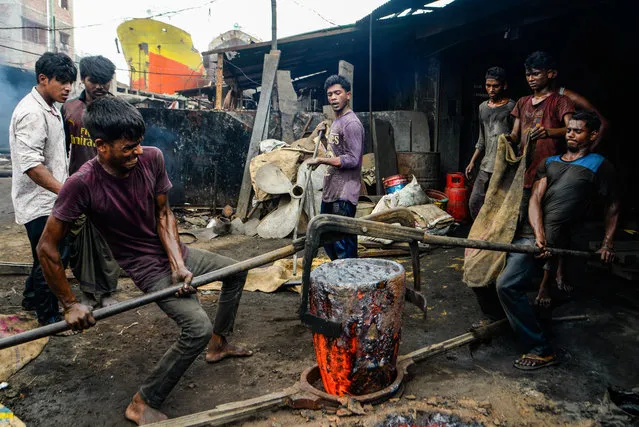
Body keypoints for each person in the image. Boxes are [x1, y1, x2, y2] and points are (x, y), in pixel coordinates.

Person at [37, 97, 253, 424]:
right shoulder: (81, 184)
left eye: (139, 144)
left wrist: (179, 265)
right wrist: (69, 305)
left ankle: (218, 345)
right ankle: (142, 402)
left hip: (174, 254)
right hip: (145, 267)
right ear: (101, 146)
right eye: (128, 148)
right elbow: (47, 248)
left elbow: (164, 214)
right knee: (196, 328)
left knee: (237, 271)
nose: (137, 152)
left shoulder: (151, 158)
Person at [496, 110, 620, 371]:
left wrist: (607, 242)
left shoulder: (600, 165)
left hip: (558, 239)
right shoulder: (550, 162)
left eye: (578, 130)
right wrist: (539, 234)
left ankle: (540, 348)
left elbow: (612, 206)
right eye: (570, 129)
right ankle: (516, 321)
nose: (571, 134)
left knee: (506, 285)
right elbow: (535, 199)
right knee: (489, 278)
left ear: (593, 134)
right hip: (530, 234)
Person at [9, 52, 77, 326]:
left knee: (45, 255)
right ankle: (48, 318)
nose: (68, 88)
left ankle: (30, 298)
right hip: (39, 202)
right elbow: (32, 166)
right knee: (51, 257)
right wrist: (67, 192)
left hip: (49, 199)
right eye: (62, 82)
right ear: (43, 78)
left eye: (70, 82)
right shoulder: (32, 113)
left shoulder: (50, 107)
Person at [61, 55, 120, 308]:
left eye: (104, 81)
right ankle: (86, 292)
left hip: (111, 186)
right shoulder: (70, 109)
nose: (99, 86)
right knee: (79, 242)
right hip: (78, 185)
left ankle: (108, 292)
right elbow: (61, 147)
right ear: (83, 79)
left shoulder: (118, 109)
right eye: (93, 81)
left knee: (108, 240)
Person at [307, 75, 364, 260]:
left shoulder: (351, 123)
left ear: (348, 95)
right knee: (329, 242)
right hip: (332, 192)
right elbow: (335, 151)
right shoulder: (337, 122)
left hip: (344, 195)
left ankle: (349, 285)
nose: (333, 97)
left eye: (337, 93)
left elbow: (353, 159)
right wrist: (323, 137)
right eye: (330, 94)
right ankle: (340, 282)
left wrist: (321, 161)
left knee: (343, 246)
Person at [465, 66, 516, 219]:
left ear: (504, 86)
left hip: (504, 166)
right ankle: (479, 235)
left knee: (498, 205)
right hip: (486, 165)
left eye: (495, 86)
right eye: (488, 85)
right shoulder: (482, 108)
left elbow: (517, 138)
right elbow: (482, 138)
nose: (491, 89)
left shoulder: (512, 107)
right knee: (475, 202)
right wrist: (472, 161)